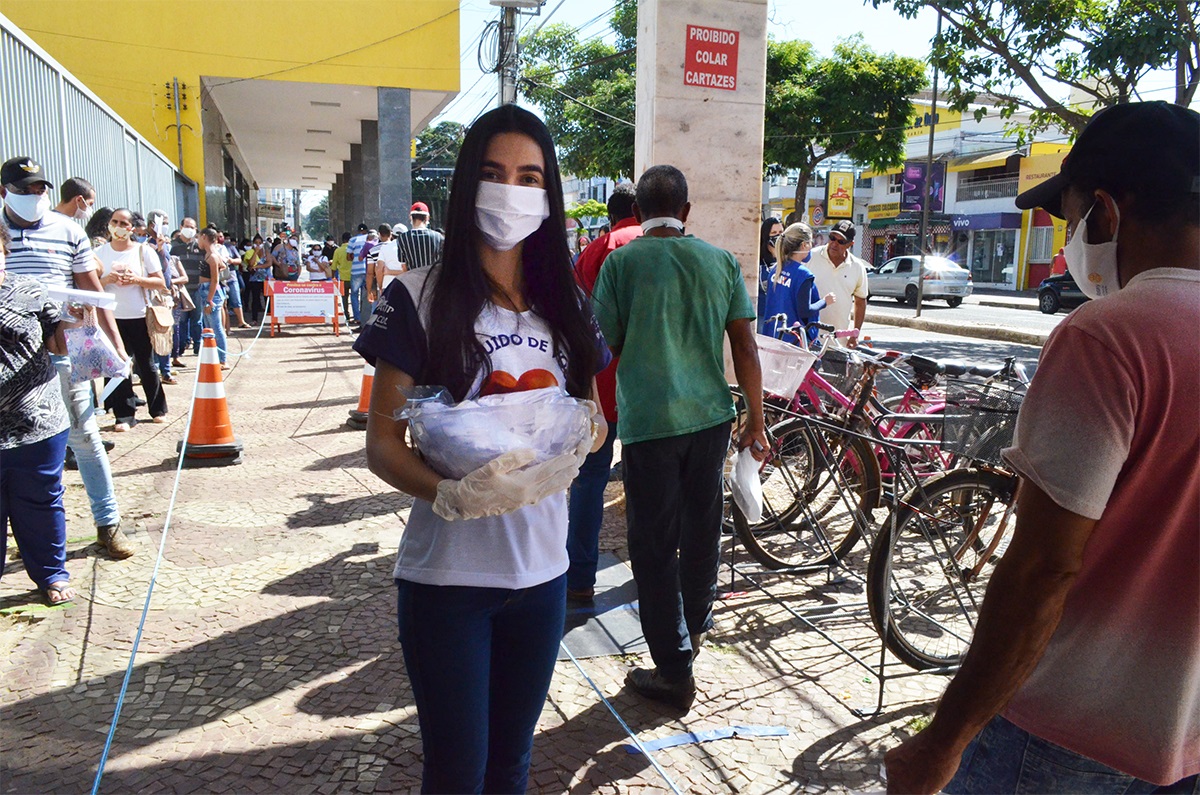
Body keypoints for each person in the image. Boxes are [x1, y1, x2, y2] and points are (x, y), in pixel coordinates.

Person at [884, 101, 1200, 795]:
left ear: (1107, 212)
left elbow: (1042, 570)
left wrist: (942, 741)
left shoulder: (1108, 336)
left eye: (1071, 218)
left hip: (1069, 730)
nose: (1068, 239)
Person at [354, 104, 607, 794]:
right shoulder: (417, 296)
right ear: (467, 184)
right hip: (448, 582)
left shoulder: (568, 303)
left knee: (511, 765)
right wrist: (449, 491)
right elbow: (382, 443)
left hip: (543, 576)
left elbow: (593, 416)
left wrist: (585, 436)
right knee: (457, 772)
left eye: (529, 177)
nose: (510, 191)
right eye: (494, 174)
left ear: (549, 194)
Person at [592, 165, 768, 711]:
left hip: (649, 425)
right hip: (711, 420)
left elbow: (604, 343)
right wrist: (756, 420)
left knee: (652, 545)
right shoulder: (720, 261)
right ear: (687, 211)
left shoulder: (621, 263)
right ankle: (690, 635)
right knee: (701, 533)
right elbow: (745, 347)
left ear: (637, 212)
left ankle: (672, 668)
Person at [2, 157, 132, 558]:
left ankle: (108, 523)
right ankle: (27, 537)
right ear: (5, 191)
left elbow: (93, 292)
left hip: (60, 349)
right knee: (14, 448)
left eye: (40, 188)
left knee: (84, 436)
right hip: (8, 357)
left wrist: (116, 345)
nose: (34, 196)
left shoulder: (69, 231)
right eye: (24, 189)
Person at [565, 182, 641, 603]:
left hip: (601, 386)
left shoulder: (595, 250)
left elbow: (574, 318)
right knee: (648, 483)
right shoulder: (657, 246)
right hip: (649, 391)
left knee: (589, 480)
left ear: (610, 215)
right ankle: (650, 575)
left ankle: (579, 577)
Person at [0, 223, 76, 604]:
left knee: (41, 503)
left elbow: (58, 344)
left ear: (5, 250)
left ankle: (51, 574)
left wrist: (75, 318)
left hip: (37, 423)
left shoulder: (30, 291)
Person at [95, 208, 168, 430]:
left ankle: (158, 409)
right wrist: (107, 279)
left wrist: (137, 280)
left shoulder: (143, 251)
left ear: (132, 228)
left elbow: (160, 282)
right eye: (115, 222)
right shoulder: (98, 253)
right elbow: (91, 283)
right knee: (118, 366)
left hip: (139, 315)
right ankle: (124, 415)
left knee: (146, 364)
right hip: (110, 318)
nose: (119, 227)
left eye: (124, 223)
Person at [760, 222, 834, 346]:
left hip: (773, 336)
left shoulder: (776, 269)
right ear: (804, 245)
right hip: (795, 340)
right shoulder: (803, 275)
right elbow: (805, 311)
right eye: (810, 242)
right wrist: (825, 301)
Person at [807, 219, 868, 344]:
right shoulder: (810, 256)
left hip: (839, 340)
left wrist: (855, 334)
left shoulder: (857, 267)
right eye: (832, 238)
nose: (834, 244)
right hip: (809, 337)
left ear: (850, 244)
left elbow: (860, 301)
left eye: (841, 241)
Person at [194, 228, 230, 368]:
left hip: (211, 292)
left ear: (204, 237)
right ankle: (215, 358)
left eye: (199, 237)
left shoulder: (213, 256)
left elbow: (215, 280)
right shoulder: (211, 254)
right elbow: (223, 266)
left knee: (216, 327)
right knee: (209, 327)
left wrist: (209, 299)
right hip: (206, 290)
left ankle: (222, 359)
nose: (197, 240)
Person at [170, 217, 204, 358]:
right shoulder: (173, 246)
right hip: (181, 290)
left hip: (197, 288)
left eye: (192, 227)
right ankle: (181, 347)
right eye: (187, 226)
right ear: (181, 227)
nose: (189, 229)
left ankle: (198, 347)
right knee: (181, 321)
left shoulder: (199, 246)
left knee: (197, 320)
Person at [396, 201, 444, 271]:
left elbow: (404, 266)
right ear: (427, 218)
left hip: (412, 277)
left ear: (411, 217)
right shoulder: (438, 237)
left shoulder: (402, 238)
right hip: (432, 276)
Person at [757, 217, 784, 321]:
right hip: (763, 314)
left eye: (780, 232)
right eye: (773, 233)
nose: (778, 236)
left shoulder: (788, 258)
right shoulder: (758, 260)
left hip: (782, 313)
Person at [371, 222, 405, 296]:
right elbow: (410, 271)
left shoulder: (385, 248)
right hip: (405, 286)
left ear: (392, 235)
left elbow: (379, 269)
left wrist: (380, 286)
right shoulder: (409, 248)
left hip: (387, 286)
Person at [346, 223, 369, 324]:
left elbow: (348, 257)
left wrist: (354, 257)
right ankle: (365, 317)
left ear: (358, 231)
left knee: (354, 295)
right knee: (365, 295)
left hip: (356, 271)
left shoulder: (352, 240)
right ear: (366, 230)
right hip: (367, 270)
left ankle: (357, 317)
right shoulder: (370, 239)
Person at [331, 231, 353, 321]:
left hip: (343, 278)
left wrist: (333, 277)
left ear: (342, 240)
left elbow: (333, 266)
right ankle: (357, 315)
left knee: (344, 297)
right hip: (354, 277)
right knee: (355, 297)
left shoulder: (338, 250)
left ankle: (346, 315)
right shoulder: (354, 249)